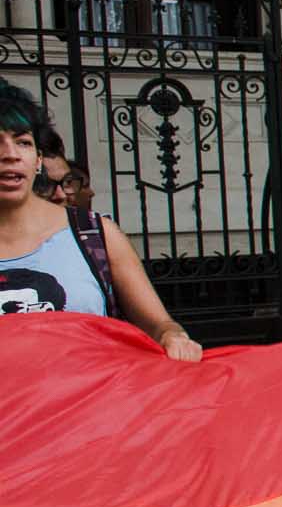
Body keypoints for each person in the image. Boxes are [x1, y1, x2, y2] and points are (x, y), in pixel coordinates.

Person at [0, 80, 198, 358]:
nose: (10, 154)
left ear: (38, 160)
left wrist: (172, 336)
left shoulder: (94, 234)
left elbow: (159, 324)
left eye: (23, 142)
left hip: (94, 399)